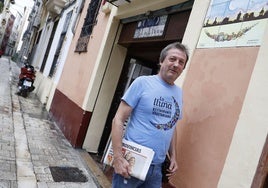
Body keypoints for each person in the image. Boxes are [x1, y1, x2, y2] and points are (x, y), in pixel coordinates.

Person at [111, 42, 189, 188]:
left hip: (157, 168)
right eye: (172, 59)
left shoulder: (178, 93)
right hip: (132, 162)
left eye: (181, 62)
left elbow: (172, 127)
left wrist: (173, 157)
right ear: (161, 61)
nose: (176, 64)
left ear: (183, 68)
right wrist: (118, 157)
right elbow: (118, 119)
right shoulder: (142, 83)